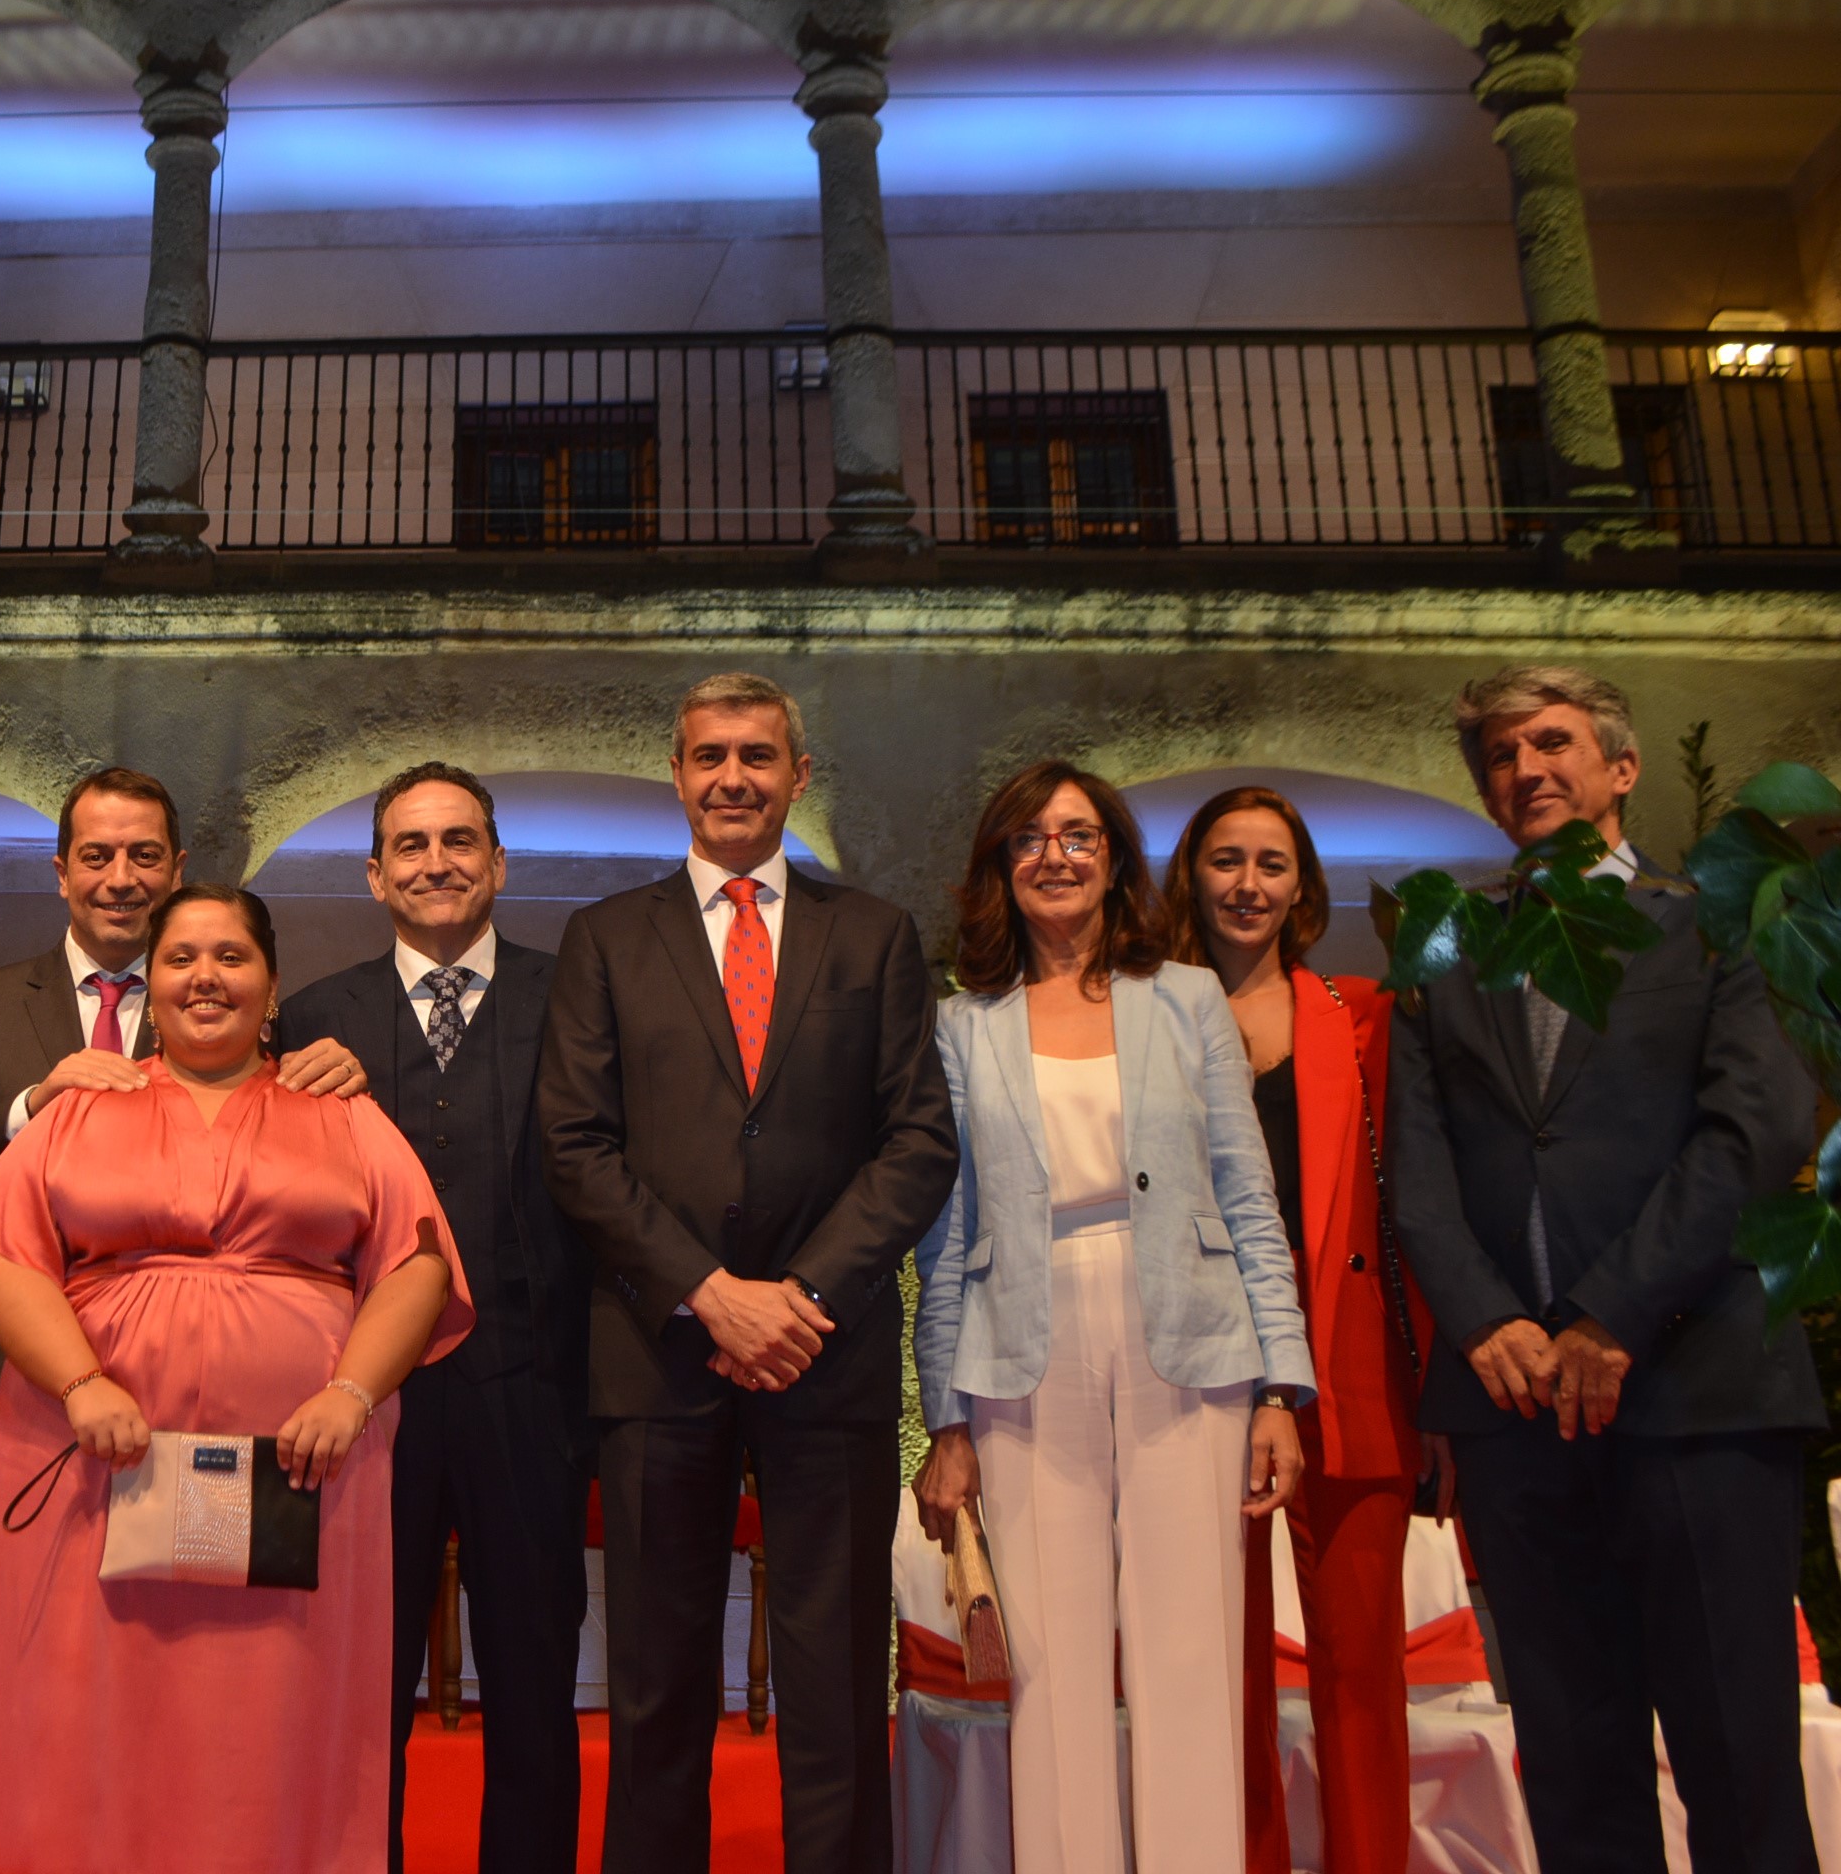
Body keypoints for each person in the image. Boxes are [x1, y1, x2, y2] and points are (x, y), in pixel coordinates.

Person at [0, 885, 472, 1874]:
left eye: (231, 956)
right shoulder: (84, 1106)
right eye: (181, 955)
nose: (205, 976)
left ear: (271, 985)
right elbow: (1, 1249)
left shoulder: (341, 1111)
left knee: (269, 1700)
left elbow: (417, 1259)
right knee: (88, 1690)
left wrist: (349, 1392)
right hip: (96, 1456)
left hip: (302, 1461)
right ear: (153, 980)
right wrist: (78, 1381)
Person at [1392, 666, 1822, 1874]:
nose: (1524, 767)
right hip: (1517, 1413)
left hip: (1696, 1397)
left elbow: (1755, 1134)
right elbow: (1415, 1171)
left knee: (1737, 1765)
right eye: (1499, 754)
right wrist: (1488, 1325)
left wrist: (1602, 1316)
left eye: (1552, 742)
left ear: (1618, 769)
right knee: (1576, 1776)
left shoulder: (1720, 925)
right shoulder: (1443, 952)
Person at [537, 671, 957, 1874]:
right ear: (674, 773)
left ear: (797, 773)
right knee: (656, 1681)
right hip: (658, 1349)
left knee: (832, 1679)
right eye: (709, 755)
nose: (733, 777)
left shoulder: (871, 932)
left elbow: (917, 1136)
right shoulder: (605, 936)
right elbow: (573, 1141)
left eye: (757, 756)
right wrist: (709, 1289)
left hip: (828, 1357)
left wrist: (805, 1296)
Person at [911, 759, 1311, 1874]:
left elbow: (1248, 1194)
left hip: (1189, 1335)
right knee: (1050, 1667)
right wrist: (941, 1417)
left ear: (1115, 861)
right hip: (1020, 1351)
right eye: (1031, 835)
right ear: (1000, 863)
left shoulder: (1183, 996)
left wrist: (1283, 1381)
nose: (1056, 852)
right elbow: (944, 1231)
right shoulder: (960, 1023)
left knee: (1190, 1652)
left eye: (1080, 833)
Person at [0, 766, 366, 1607]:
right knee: (35, 1678)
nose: (120, 879)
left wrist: (338, 1074)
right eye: (97, 855)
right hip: (16, 1401)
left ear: (176, 869)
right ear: (60, 871)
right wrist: (31, 1107)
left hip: (206, 1416)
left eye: (144, 855)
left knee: (177, 1681)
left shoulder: (232, 1005)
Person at [277, 762, 589, 1874]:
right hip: (369, 1404)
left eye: (460, 840)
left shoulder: (575, 996)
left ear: (498, 863)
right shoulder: (313, 1018)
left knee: (534, 1683)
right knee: (359, 1682)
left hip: (534, 1388)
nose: (436, 862)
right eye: (410, 845)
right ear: (374, 875)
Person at [1163, 786, 1431, 1874]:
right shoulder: (1148, 1016)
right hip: (1197, 1378)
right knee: (1214, 1671)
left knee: (1362, 1671)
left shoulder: (1364, 1014)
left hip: (1349, 1371)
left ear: (1302, 887)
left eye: (1270, 863)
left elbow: (1412, 1205)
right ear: (1190, 876)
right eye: (1224, 860)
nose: (1246, 884)